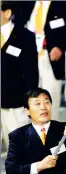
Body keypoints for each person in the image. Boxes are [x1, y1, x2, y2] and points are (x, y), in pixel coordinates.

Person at [5, 88, 66, 174]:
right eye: (37, 104)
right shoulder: (17, 136)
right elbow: (11, 170)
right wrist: (39, 166)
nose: (43, 107)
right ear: (27, 111)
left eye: (47, 102)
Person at [15, 1, 66, 121]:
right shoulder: (26, 4)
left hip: (49, 58)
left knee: (49, 97)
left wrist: (60, 47)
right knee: (29, 98)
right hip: (28, 58)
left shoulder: (62, 4)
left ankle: (52, 134)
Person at [1, 1, 39, 148]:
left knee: (20, 151)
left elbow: (31, 74)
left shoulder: (25, 37)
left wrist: (28, 103)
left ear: (7, 13)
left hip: (15, 106)